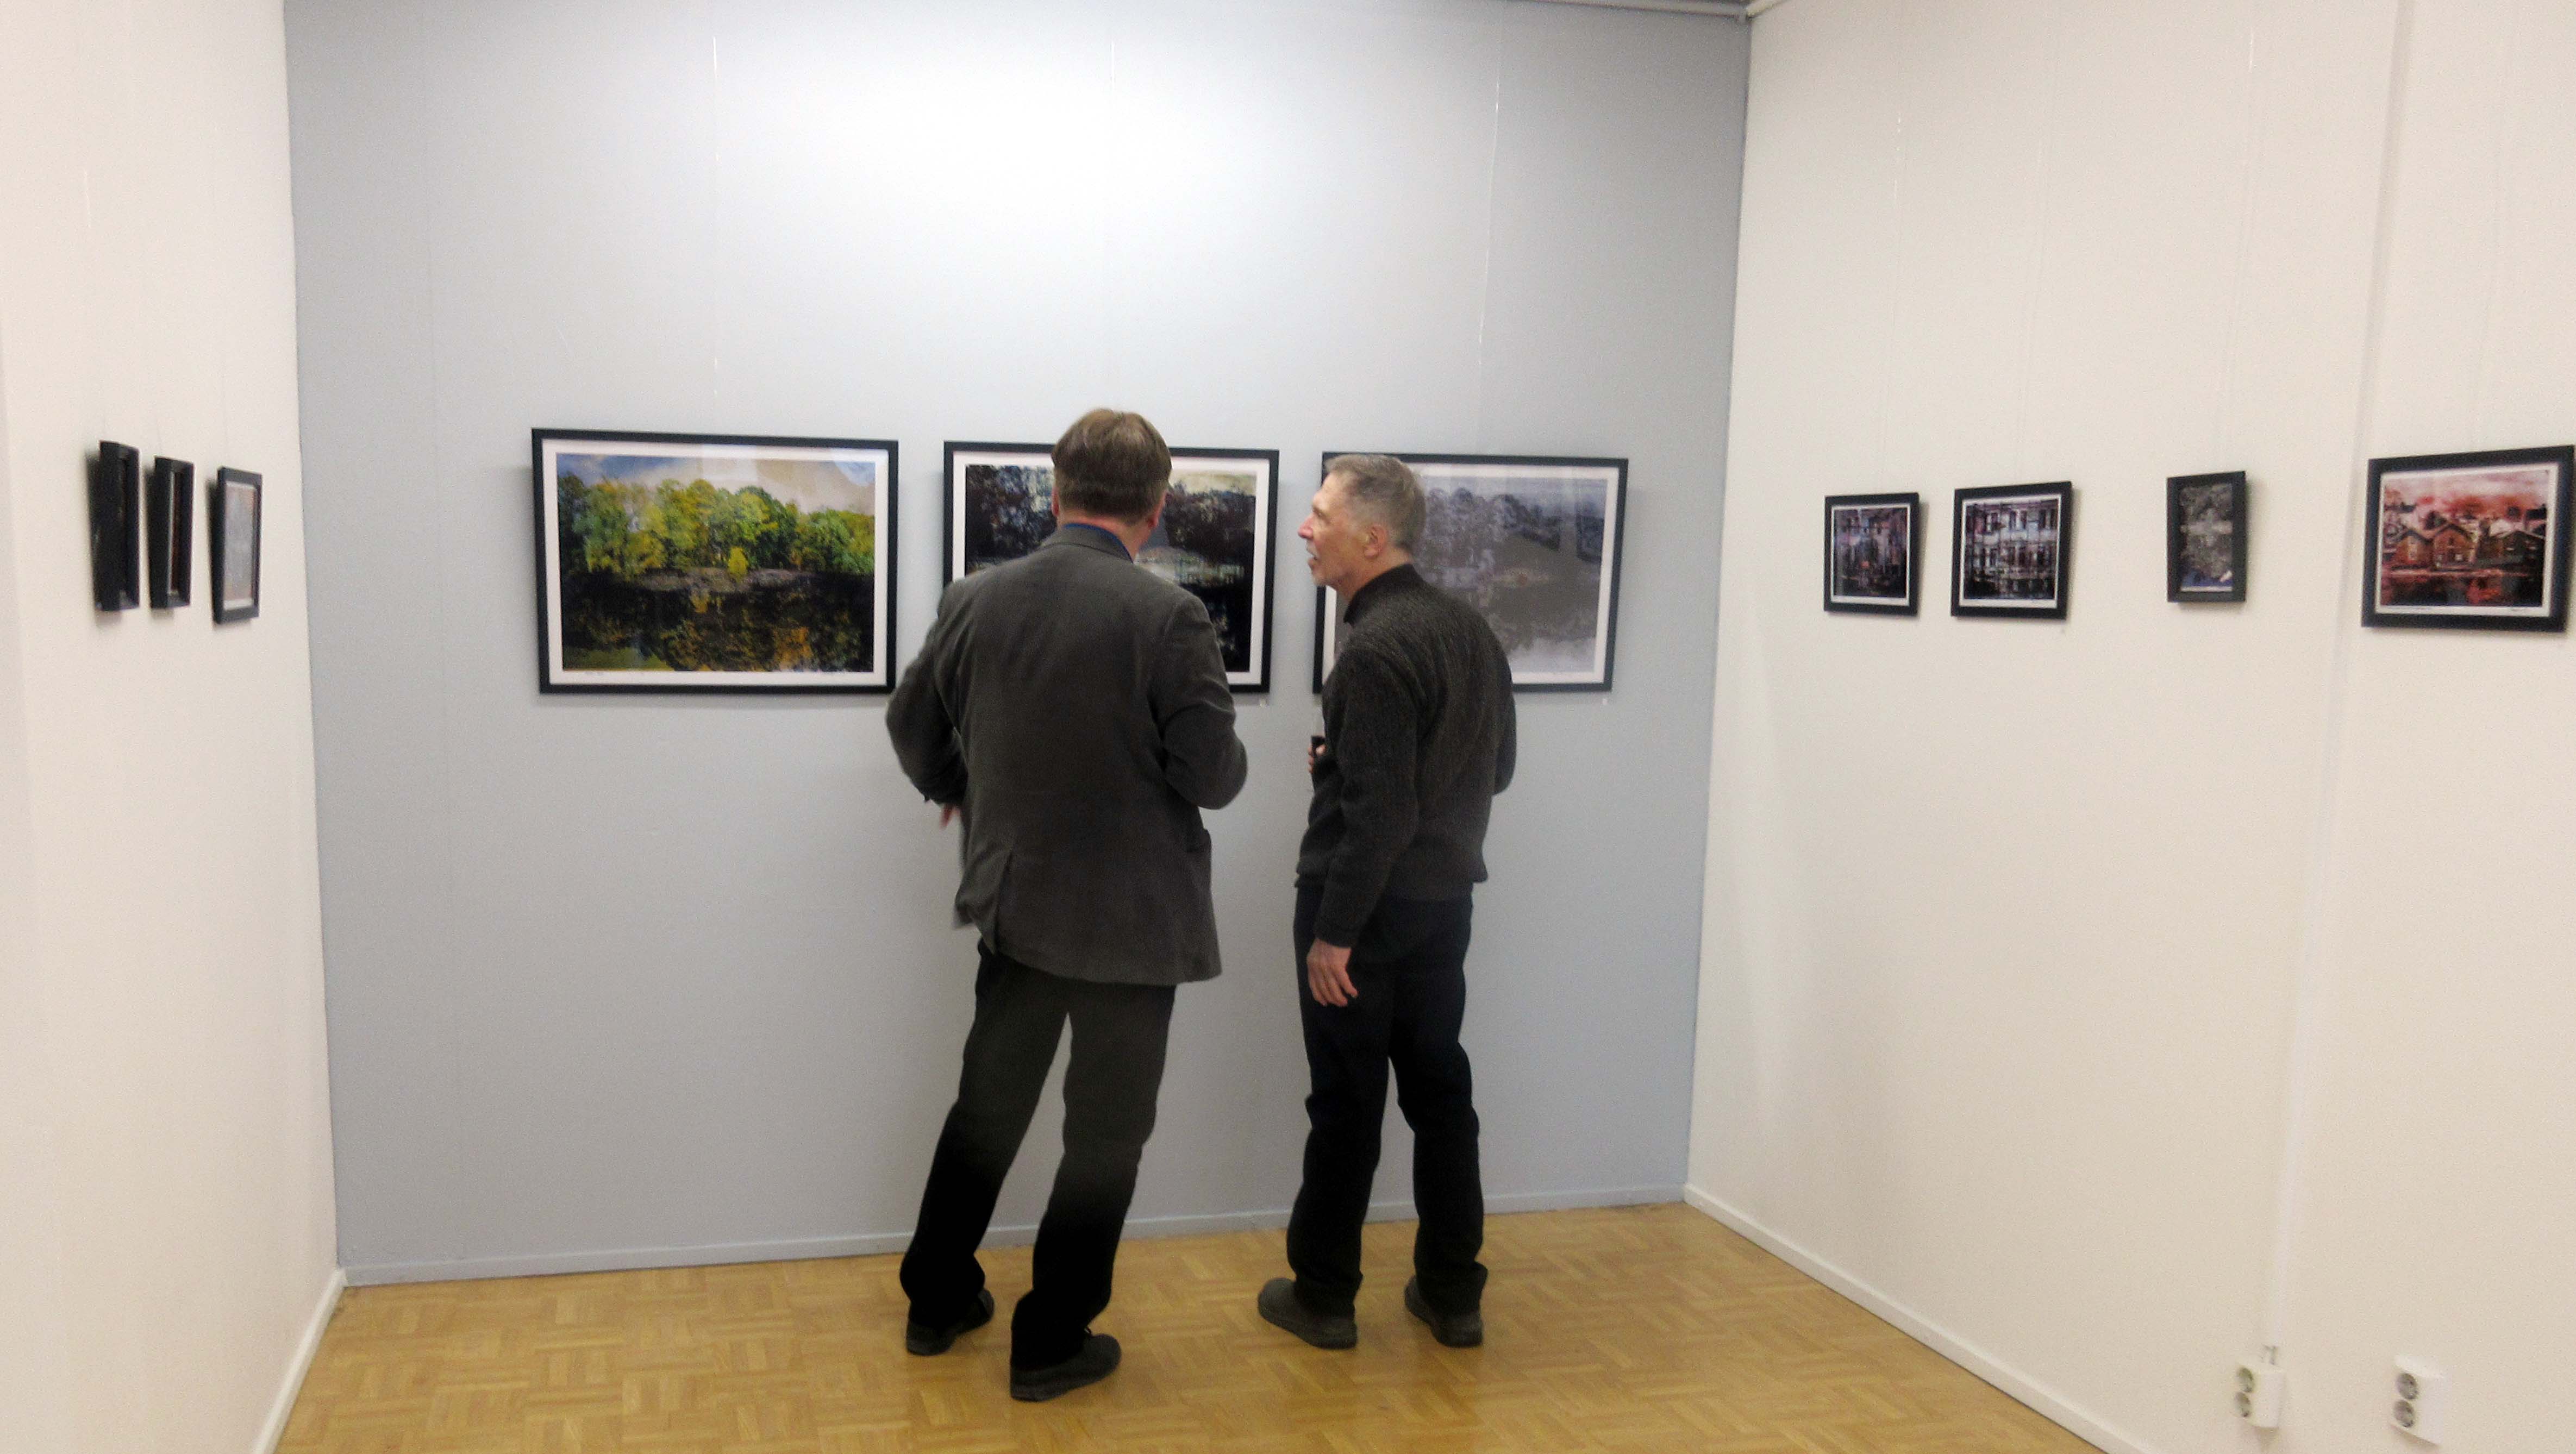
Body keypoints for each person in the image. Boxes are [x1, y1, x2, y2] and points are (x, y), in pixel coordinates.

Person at [886, 408, 1248, 1401]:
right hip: (1132, 927)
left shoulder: (976, 597)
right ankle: (1050, 1342)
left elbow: (912, 725)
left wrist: (954, 782)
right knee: (1105, 1137)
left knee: (987, 1108)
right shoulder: (1171, 618)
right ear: (1156, 507)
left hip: (1018, 909)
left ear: (1057, 492)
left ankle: (936, 1299)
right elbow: (1212, 777)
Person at [1258, 454, 1515, 1352]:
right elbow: (1494, 770)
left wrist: (1334, 936)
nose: (1306, 529)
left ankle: (1325, 1297)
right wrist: (1349, 768)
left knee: (1347, 1105)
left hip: (1363, 918)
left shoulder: (1371, 651)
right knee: (1442, 1097)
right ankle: (1453, 1294)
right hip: (1443, 909)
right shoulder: (1468, 630)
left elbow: (1381, 819)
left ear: (1372, 539)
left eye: (1321, 516)